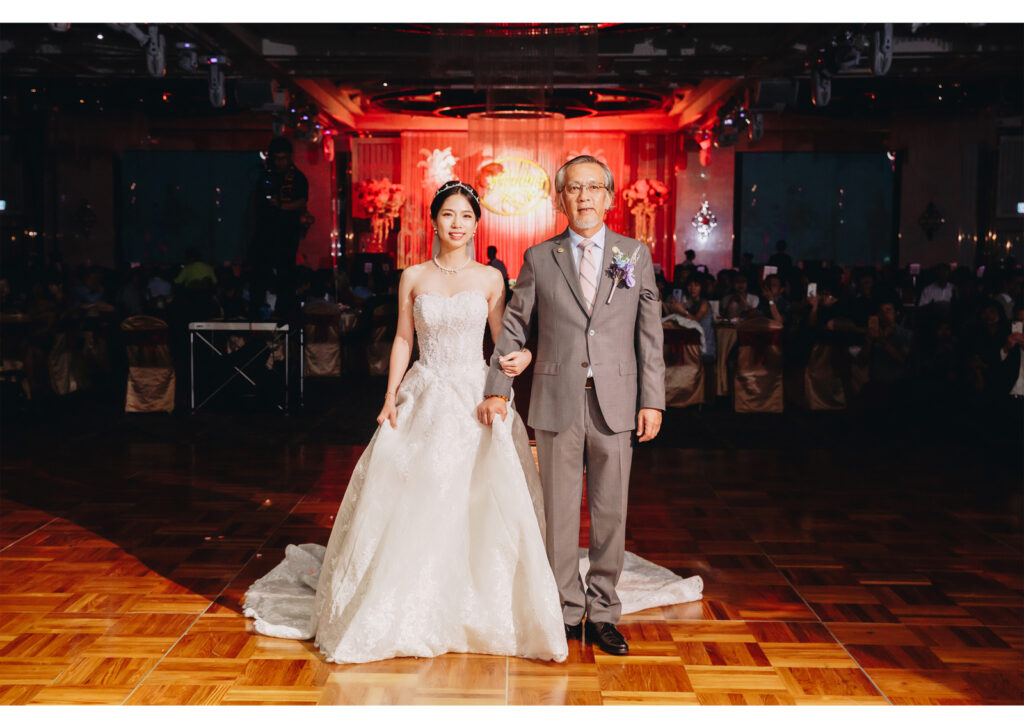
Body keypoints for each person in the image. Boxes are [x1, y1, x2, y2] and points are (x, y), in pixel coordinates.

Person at [477, 155, 673, 657]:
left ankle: (603, 611)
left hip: (617, 402)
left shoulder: (634, 254)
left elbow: (649, 333)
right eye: (574, 189)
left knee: (611, 512)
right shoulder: (540, 257)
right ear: (560, 199)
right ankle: (565, 609)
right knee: (559, 514)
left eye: (593, 188)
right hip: (556, 399)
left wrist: (653, 400)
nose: (584, 197)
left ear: (609, 197)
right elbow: (514, 327)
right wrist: (497, 386)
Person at [250, 137, 308, 321]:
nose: (280, 162)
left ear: (290, 157)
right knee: (260, 274)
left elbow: (302, 201)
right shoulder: (266, 177)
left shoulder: (298, 178)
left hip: (287, 234)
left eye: (284, 158)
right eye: (277, 158)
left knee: (286, 276)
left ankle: (284, 314)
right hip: (265, 233)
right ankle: (258, 311)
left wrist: (281, 206)